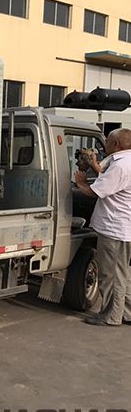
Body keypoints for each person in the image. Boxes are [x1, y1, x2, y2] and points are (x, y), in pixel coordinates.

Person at [74, 128, 131, 326]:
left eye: (107, 141)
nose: (104, 144)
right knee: (122, 274)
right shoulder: (125, 162)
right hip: (123, 228)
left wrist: (80, 183)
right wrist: (96, 166)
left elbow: (96, 192)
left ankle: (110, 316)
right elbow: (113, 182)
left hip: (114, 229)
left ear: (116, 144)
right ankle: (126, 313)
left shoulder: (120, 166)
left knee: (111, 275)